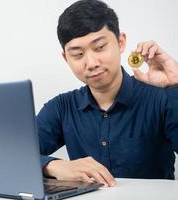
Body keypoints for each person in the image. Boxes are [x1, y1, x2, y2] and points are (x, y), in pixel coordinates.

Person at [37, 0, 178, 187]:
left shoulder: (161, 98)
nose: (92, 63)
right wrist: (53, 165)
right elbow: (11, 154)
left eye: (100, 47)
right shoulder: (61, 107)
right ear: (66, 58)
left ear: (121, 43)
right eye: (78, 54)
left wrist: (175, 84)